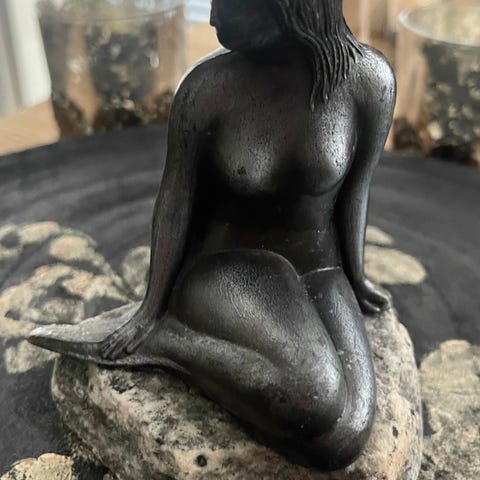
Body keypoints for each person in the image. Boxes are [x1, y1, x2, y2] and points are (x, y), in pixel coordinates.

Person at [30, 0, 396, 470]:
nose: (214, 19)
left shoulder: (368, 80)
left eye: (232, 5)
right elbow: (175, 202)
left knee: (345, 436)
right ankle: (167, 338)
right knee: (314, 399)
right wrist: (150, 307)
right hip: (228, 267)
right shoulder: (208, 89)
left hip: (319, 268)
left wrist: (357, 277)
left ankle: (174, 341)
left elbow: (356, 190)